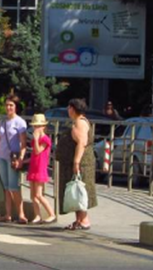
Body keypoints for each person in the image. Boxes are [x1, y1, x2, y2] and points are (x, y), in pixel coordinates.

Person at [57, 98, 97, 230]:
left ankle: (84, 220)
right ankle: (79, 220)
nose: (68, 110)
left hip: (82, 163)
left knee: (80, 189)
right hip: (76, 162)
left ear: (73, 109)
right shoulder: (78, 121)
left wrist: (76, 162)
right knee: (75, 189)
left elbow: (81, 143)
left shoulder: (80, 122)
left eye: (69, 108)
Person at [0, 95, 28, 224]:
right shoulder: (2, 121)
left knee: (14, 186)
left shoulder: (20, 122)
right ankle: (8, 214)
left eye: (11, 105)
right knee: (6, 187)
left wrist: (21, 158)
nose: (8, 107)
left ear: (16, 107)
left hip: (12, 157)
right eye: (7, 105)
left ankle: (21, 214)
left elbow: (23, 143)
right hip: (1, 155)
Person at [27, 113, 56, 225]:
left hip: (40, 168)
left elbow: (38, 151)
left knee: (39, 194)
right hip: (33, 167)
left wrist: (36, 139)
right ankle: (37, 215)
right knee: (33, 195)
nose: (36, 128)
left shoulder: (45, 139)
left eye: (39, 126)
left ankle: (51, 214)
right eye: (35, 126)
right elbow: (33, 153)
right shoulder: (36, 140)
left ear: (43, 127)